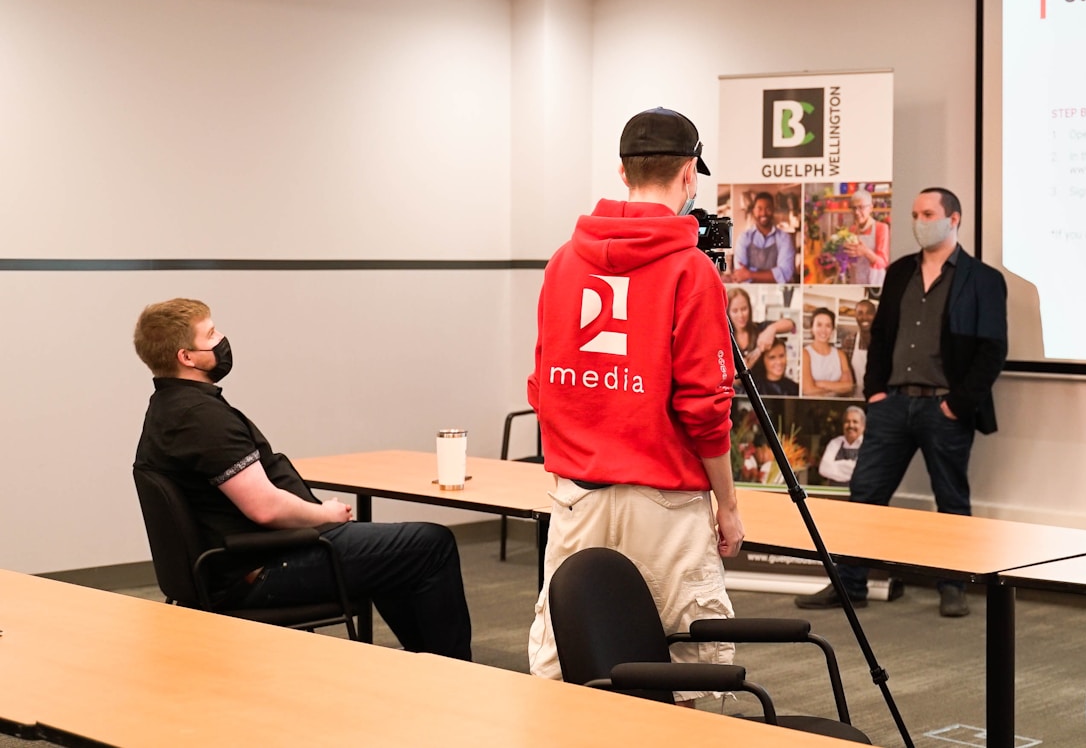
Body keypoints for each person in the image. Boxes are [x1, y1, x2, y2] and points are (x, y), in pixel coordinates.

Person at [525, 107, 743, 701]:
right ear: (690, 174)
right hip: (664, 504)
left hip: (577, 498)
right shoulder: (691, 270)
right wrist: (726, 503)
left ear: (622, 174)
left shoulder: (563, 261)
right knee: (687, 671)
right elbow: (704, 406)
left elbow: (544, 386)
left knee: (572, 665)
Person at [131, 298, 473, 659]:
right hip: (260, 570)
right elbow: (265, 508)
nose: (222, 339)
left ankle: (430, 668)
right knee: (431, 544)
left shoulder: (169, 407)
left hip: (234, 564)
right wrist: (326, 514)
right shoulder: (200, 417)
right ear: (187, 357)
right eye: (211, 333)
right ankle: (457, 677)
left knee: (393, 553)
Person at [796, 187, 1007, 618]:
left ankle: (954, 584)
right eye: (914, 213)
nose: (918, 221)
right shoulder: (898, 273)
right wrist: (875, 394)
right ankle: (849, 584)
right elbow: (880, 340)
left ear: (954, 219)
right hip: (892, 405)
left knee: (950, 501)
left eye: (927, 213)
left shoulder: (983, 279)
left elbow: (992, 350)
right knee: (866, 492)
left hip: (943, 409)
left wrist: (957, 406)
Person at [731, 191, 796, 284]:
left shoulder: (784, 238)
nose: (763, 213)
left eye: (768, 208)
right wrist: (773, 274)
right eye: (759, 208)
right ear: (753, 211)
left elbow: (785, 274)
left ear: (773, 210)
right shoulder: (744, 237)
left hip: (777, 293)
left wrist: (750, 274)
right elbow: (740, 275)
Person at [727, 286, 795, 373]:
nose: (741, 315)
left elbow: (791, 325)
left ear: (750, 309)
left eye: (744, 309)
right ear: (728, 313)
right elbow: (733, 380)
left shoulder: (760, 328)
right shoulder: (723, 339)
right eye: (735, 311)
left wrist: (772, 329)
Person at [800, 307, 856, 398]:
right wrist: (837, 386)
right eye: (819, 325)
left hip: (836, 406)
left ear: (832, 330)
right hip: (811, 407)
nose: (823, 330)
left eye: (828, 326)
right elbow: (808, 390)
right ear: (812, 328)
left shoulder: (840, 355)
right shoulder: (805, 353)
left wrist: (820, 383)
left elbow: (849, 386)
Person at [841, 190, 890, 285]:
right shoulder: (852, 229)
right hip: (855, 280)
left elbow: (883, 262)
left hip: (874, 281)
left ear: (871, 208)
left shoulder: (881, 228)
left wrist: (865, 252)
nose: (857, 212)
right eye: (854, 208)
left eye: (861, 207)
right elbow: (850, 259)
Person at [816, 405, 866, 486]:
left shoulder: (868, 445)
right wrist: (853, 467)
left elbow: (866, 473)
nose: (851, 425)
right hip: (834, 493)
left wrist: (836, 466)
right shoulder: (835, 443)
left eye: (855, 422)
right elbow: (823, 469)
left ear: (863, 426)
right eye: (847, 421)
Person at [849, 298, 876, 388]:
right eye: (860, 313)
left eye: (869, 313)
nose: (864, 317)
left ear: (875, 315)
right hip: (855, 397)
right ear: (855, 316)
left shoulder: (885, 341)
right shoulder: (849, 341)